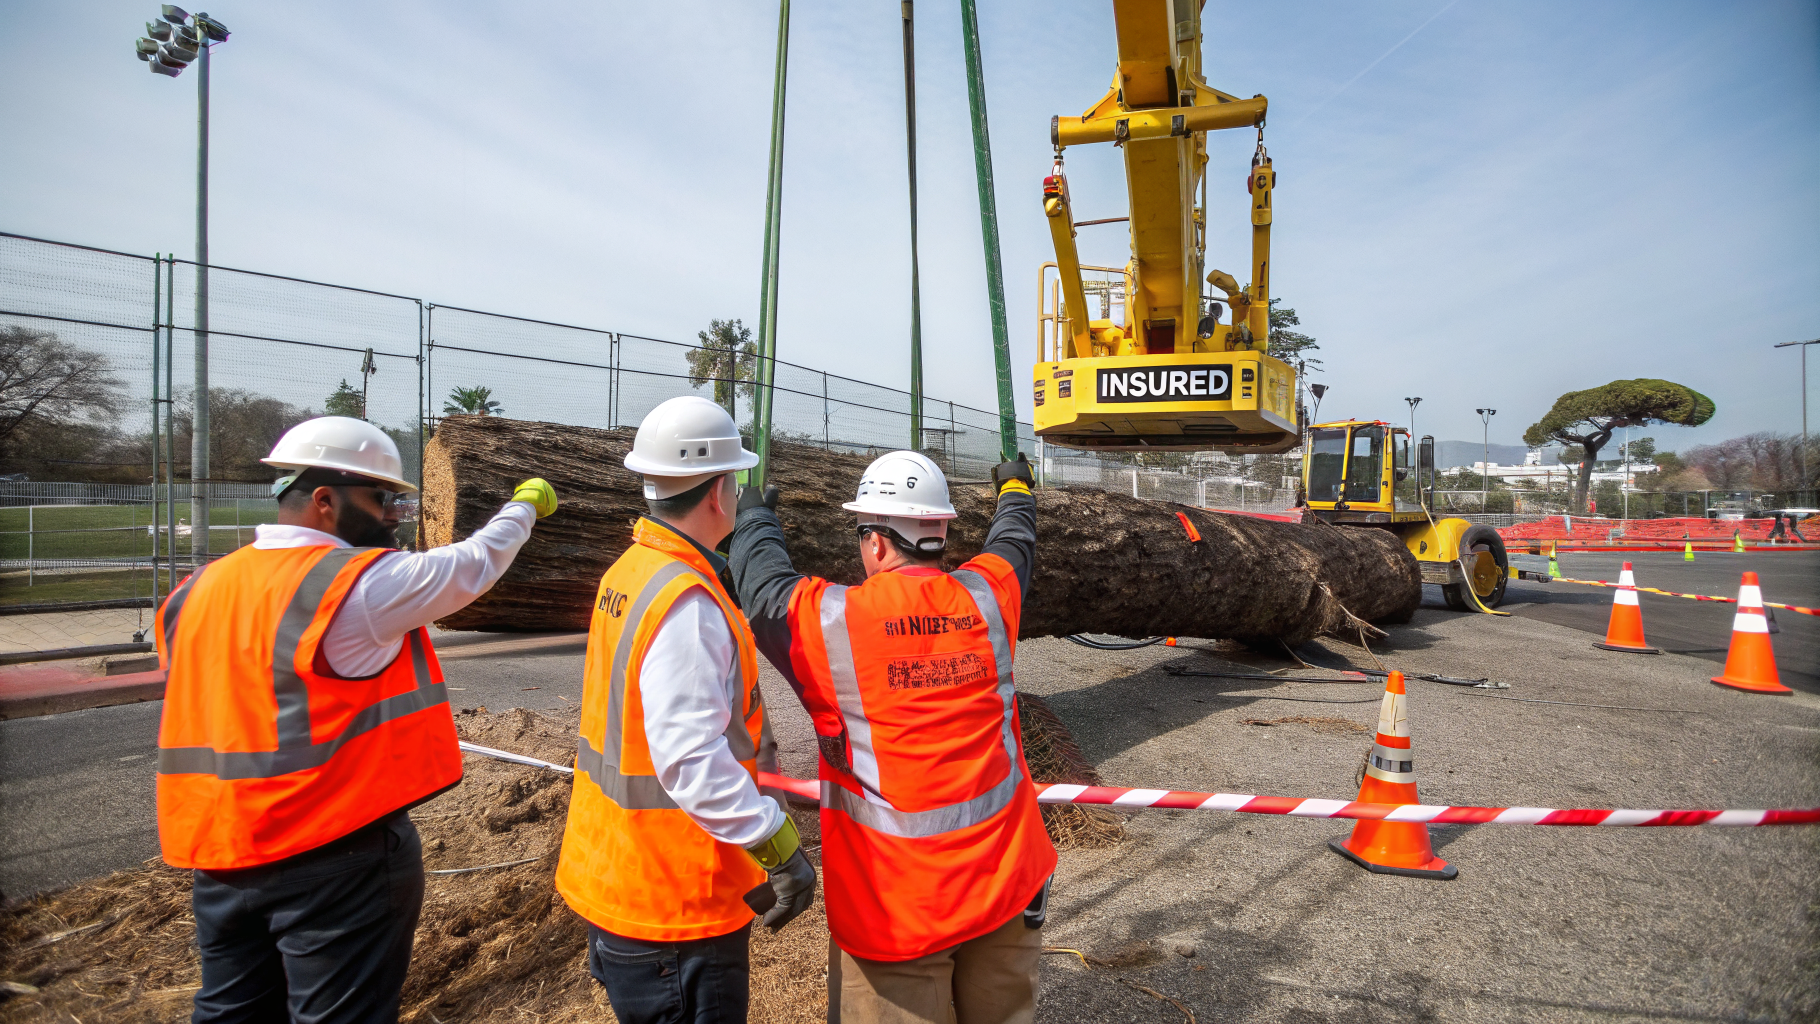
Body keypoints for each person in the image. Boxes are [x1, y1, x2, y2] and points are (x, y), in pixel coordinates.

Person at [155, 415, 557, 1024]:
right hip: (332, 850)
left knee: (230, 1011)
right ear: (325, 500)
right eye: (382, 499)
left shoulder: (193, 591)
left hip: (221, 854)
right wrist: (523, 506)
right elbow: (473, 564)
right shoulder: (355, 585)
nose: (394, 516)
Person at [728, 449, 1057, 1024]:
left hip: (897, 913)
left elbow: (764, 591)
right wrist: (1016, 489)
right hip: (1007, 886)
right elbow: (1015, 542)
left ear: (876, 544)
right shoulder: (988, 597)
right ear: (941, 531)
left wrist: (753, 519)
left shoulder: (834, 621)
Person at [555, 396, 817, 1024]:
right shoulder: (687, 605)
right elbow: (691, 761)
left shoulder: (633, 571)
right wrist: (778, 844)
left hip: (623, 876)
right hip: (675, 907)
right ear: (719, 493)